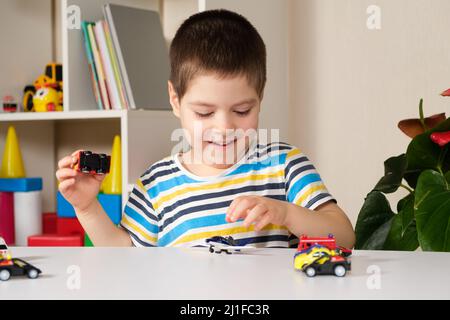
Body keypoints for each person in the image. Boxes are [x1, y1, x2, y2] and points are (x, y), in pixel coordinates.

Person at [56, 9, 355, 249]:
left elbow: (345, 237)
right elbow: (126, 257)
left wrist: (288, 214)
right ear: (175, 100)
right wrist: (86, 207)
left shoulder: (285, 166)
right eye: (204, 112)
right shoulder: (156, 185)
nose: (224, 127)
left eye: (242, 110)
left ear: (260, 97)